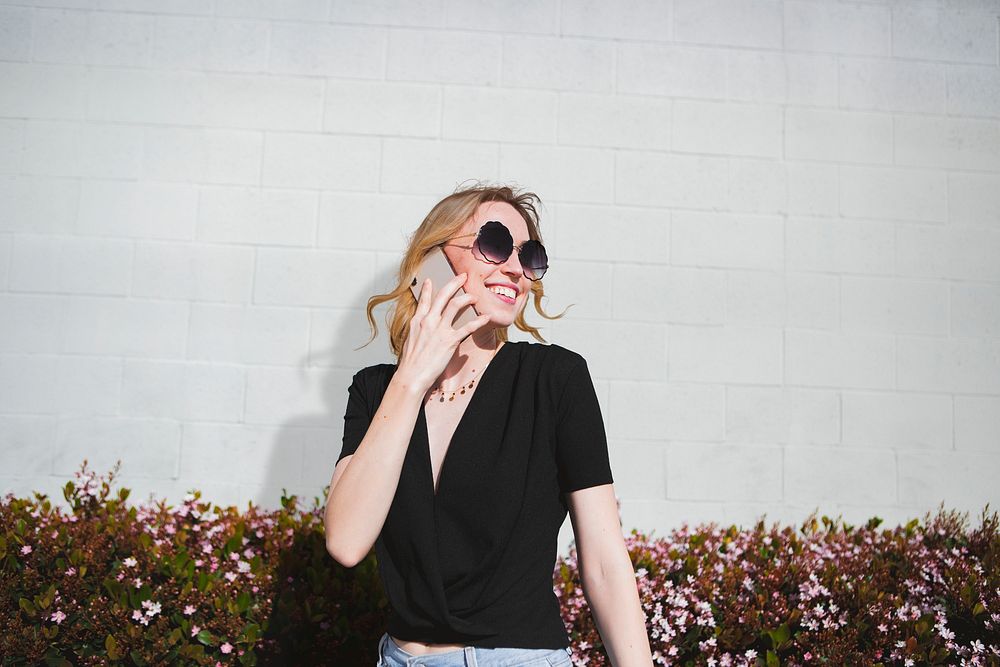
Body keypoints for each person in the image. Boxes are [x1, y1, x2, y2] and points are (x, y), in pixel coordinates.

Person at [324, 183, 653, 666]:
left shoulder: (554, 380)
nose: (517, 269)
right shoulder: (377, 391)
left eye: (531, 256)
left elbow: (604, 560)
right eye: (495, 243)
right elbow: (347, 542)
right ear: (432, 262)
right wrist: (412, 379)